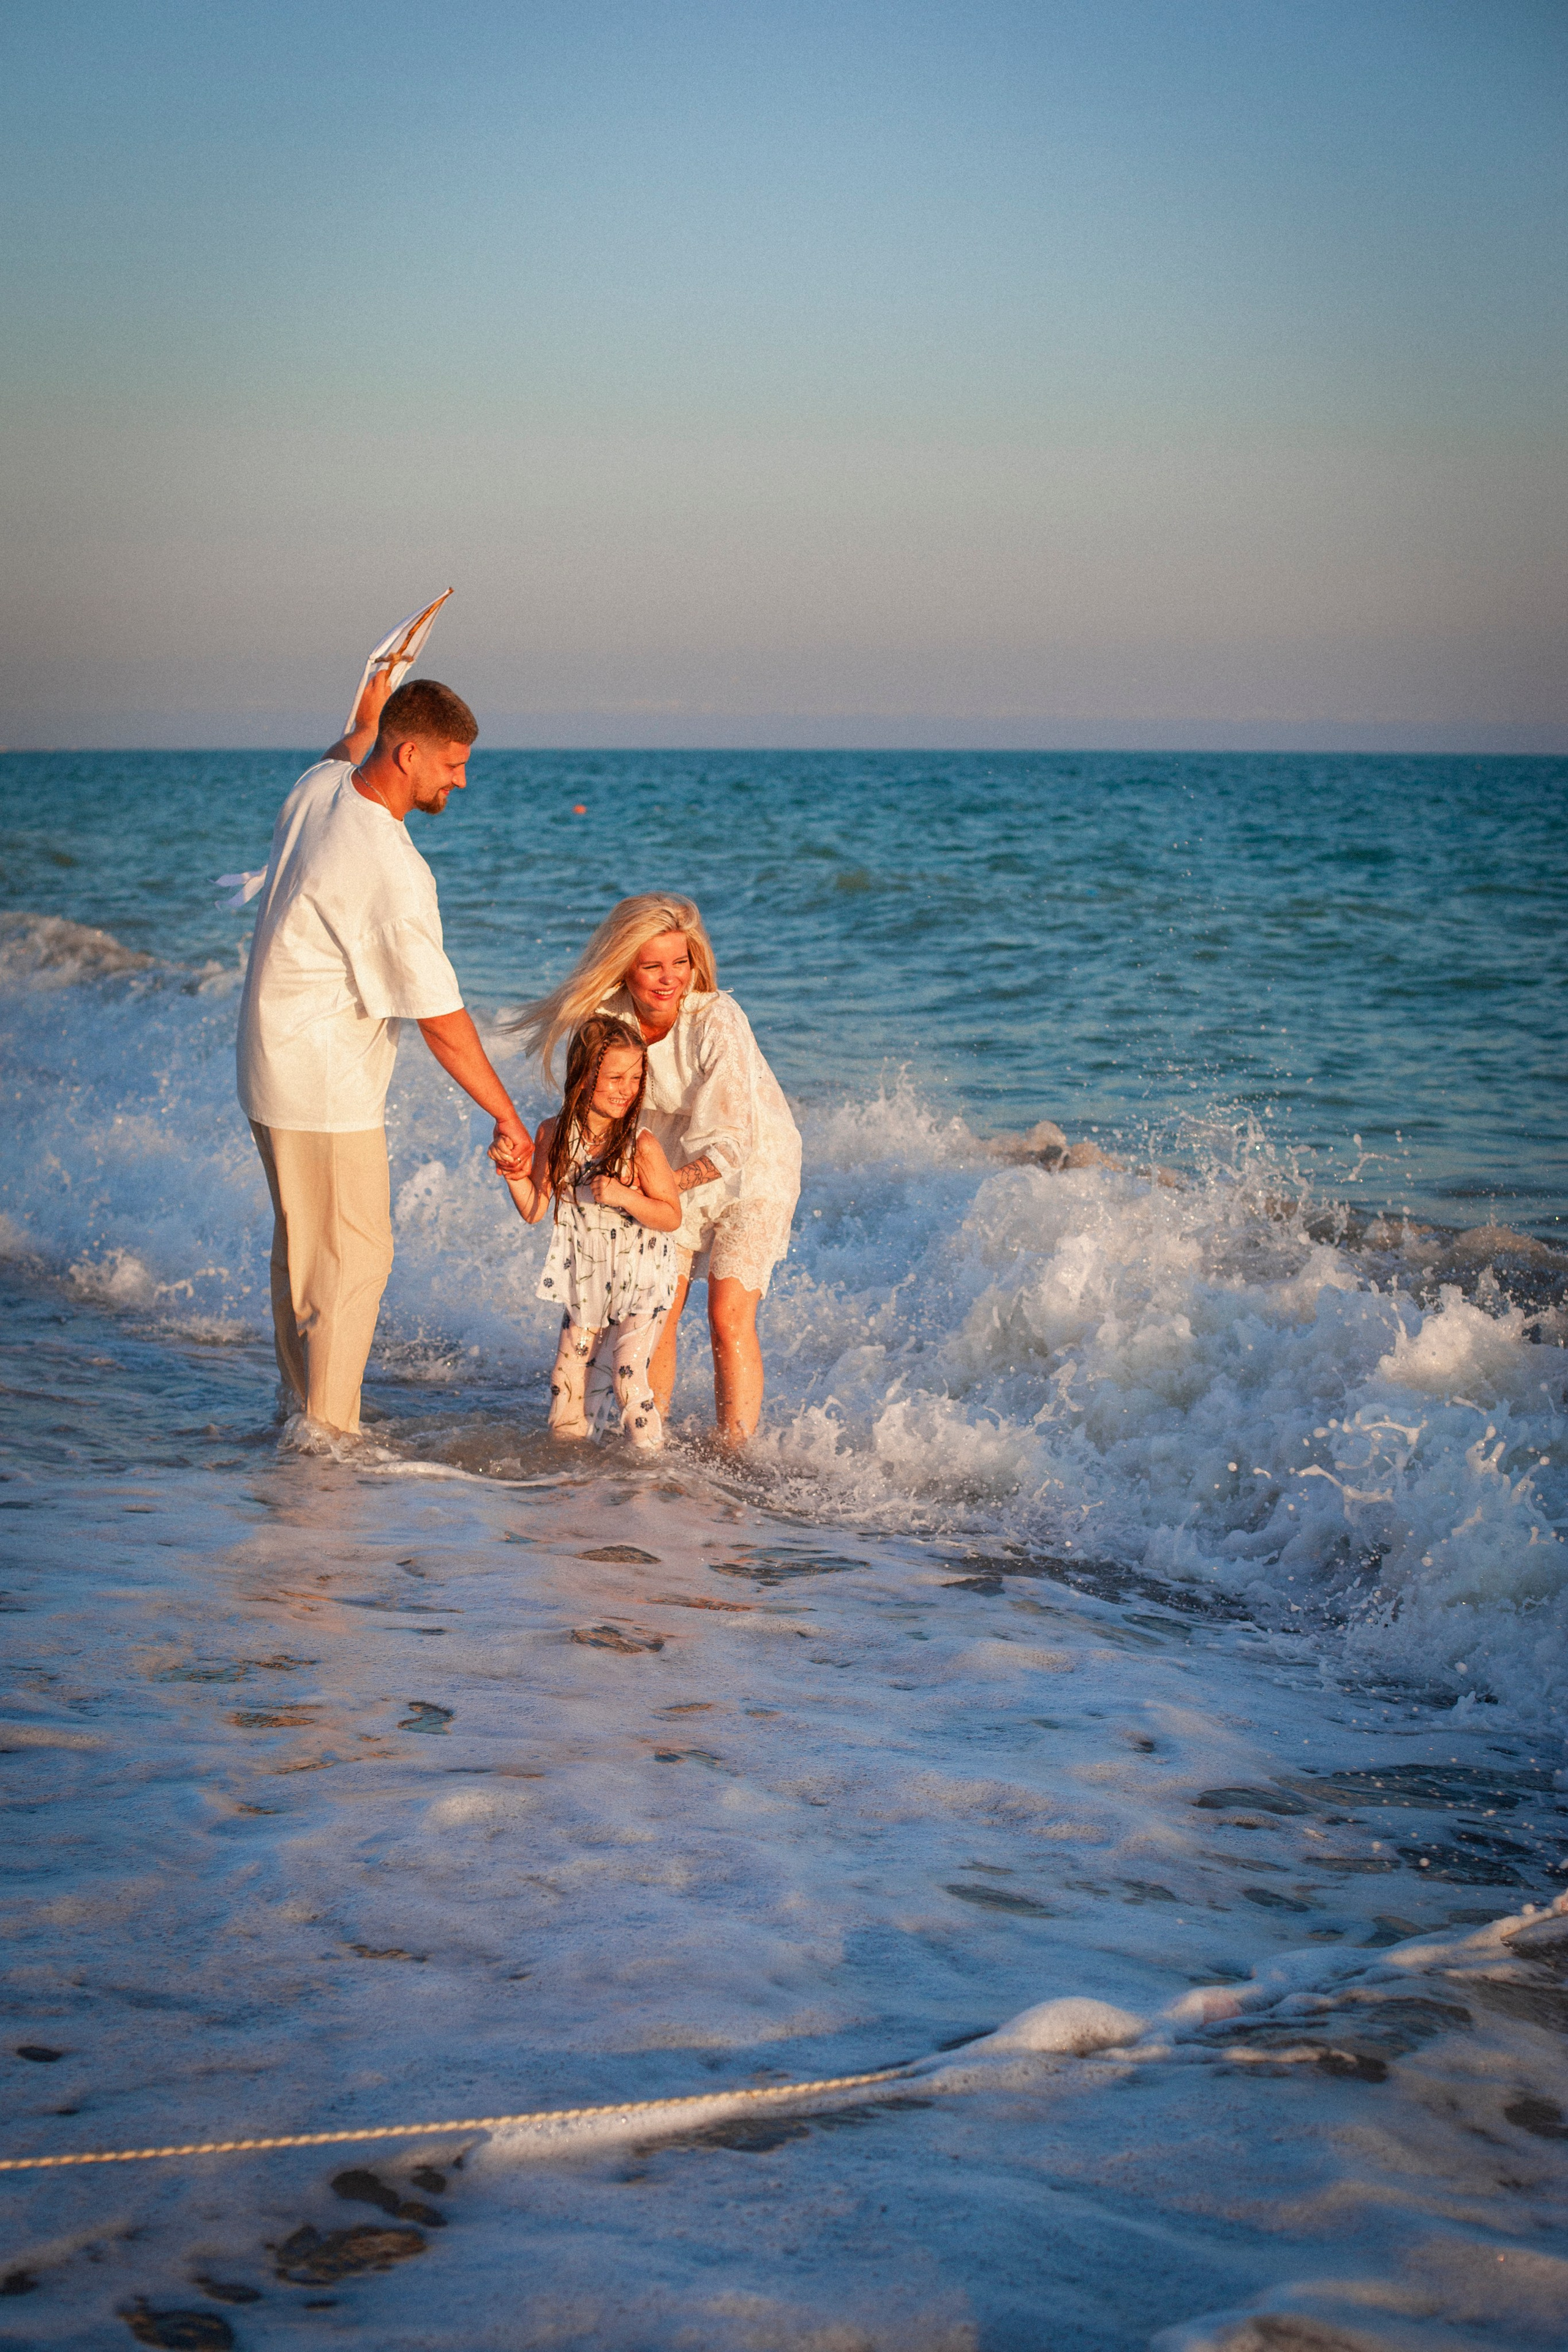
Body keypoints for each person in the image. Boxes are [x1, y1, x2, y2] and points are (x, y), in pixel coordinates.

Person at [236, 660, 529, 1436]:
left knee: (305, 1256)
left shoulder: (320, 788)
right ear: (408, 754)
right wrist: (508, 1117)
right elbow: (442, 1022)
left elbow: (346, 746)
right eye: (453, 764)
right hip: (322, 1091)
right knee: (352, 1264)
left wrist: (370, 702)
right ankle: (326, 1445)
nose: (461, 781)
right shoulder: (392, 869)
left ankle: (301, 1418)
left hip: (267, 1068)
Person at [510, 895, 800, 1446]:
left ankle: (734, 1451)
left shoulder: (717, 1019)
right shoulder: (609, 1018)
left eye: (680, 962)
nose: (670, 979)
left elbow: (732, 1142)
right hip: (660, 1156)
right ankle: (647, 1442)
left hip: (753, 1162)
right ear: (625, 967)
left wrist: (652, 1186)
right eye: (652, 966)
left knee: (728, 1315)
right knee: (658, 1307)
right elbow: (590, 1103)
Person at [496, 1014, 680, 1450]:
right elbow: (535, 1209)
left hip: (641, 1281)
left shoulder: (640, 1145)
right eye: (615, 1078)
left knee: (627, 1379)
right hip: (587, 1279)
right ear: (582, 1078)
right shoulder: (554, 1133)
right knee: (566, 1378)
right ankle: (570, 1469)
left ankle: (651, 1471)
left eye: (635, 1078)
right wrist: (512, 1174)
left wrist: (624, 1196)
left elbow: (671, 1216)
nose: (627, 1089)